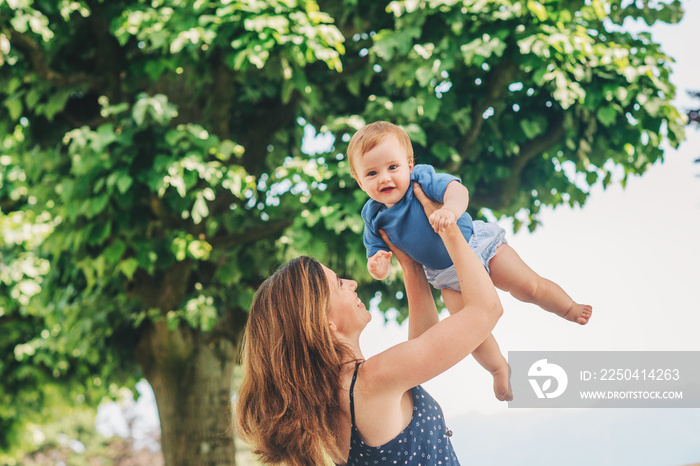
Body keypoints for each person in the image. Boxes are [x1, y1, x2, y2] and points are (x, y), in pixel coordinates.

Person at [235, 185, 503, 465]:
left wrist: (410, 267)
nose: (352, 283)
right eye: (339, 284)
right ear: (323, 322)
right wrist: (448, 227)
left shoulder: (334, 399)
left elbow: (421, 349)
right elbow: (486, 311)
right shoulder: (371, 380)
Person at [348, 121, 592, 401]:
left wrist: (450, 211)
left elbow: (457, 191)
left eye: (393, 167)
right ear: (359, 181)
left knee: (527, 287)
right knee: (470, 332)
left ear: (409, 164)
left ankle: (568, 308)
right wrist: (379, 266)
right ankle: (499, 368)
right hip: (447, 276)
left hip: (478, 245)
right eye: (372, 173)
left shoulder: (422, 180)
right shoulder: (372, 215)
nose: (384, 178)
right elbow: (377, 252)